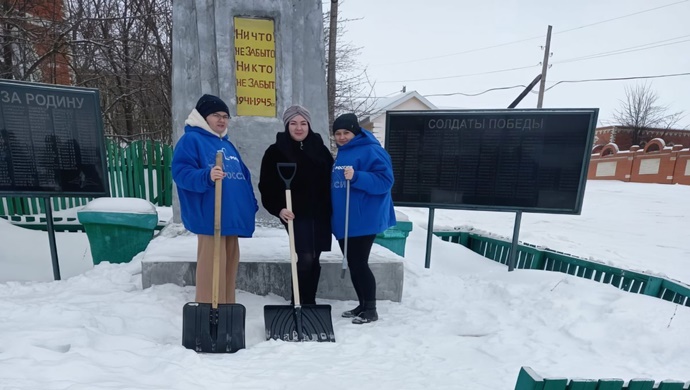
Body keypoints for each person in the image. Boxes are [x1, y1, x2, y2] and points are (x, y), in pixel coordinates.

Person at [172, 94, 257, 304]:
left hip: (231, 218)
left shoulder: (227, 145)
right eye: (216, 115)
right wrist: (206, 176)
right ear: (203, 117)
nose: (221, 120)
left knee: (228, 270)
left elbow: (243, 177)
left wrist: (249, 205)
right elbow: (181, 172)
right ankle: (208, 313)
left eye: (225, 116)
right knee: (212, 270)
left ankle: (226, 311)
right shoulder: (192, 140)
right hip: (212, 217)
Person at [259, 105, 333, 304]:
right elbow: (266, 186)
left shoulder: (320, 149)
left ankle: (310, 301)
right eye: (293, 123)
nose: (298, 128)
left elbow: (331, 181)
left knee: (316, 257)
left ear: (308, 125)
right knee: (305, 256)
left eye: (303, 123)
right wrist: (279, 209)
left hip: (320, 213)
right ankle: (298, 301)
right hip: (295, 213)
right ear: (287, 125)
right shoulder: (275, 151)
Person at [331, 113, 396, 324]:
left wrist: (358, 176)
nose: (341, 137)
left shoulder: (372, 150)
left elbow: (385, 181)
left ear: (355, 132)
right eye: (338, 133)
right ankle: (362, 304)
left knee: (359, 263)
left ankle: (371, 309)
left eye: (346, 133)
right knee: (354, 263)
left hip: (363, 218)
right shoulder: (343, 152)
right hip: (346, 219)